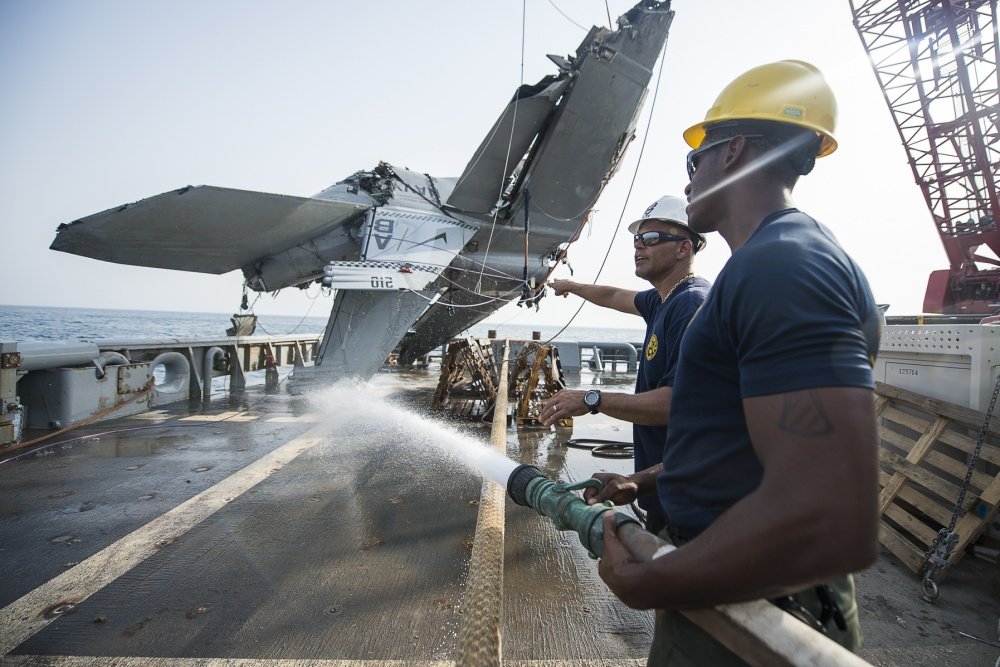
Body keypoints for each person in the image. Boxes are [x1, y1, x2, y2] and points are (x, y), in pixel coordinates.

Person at [589, 60, 881, 663]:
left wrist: (651, 582)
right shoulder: (761, 268)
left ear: (733, 152)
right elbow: (739, 447)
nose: (689, 180)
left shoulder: (783, 267)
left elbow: (831, 518)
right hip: (727, 581)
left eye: (694, 162)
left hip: (763, 605)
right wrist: (643, 481)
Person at [538, 196, 710, 536]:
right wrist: (572, 286)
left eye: (651, 239)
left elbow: (674, 404)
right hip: (662, 490)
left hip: (691, 506)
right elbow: (615, 296)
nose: (638, 247)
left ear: (683, 248)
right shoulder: (664, 299)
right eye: (636, 239)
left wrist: (592, 399)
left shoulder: (690, 303)